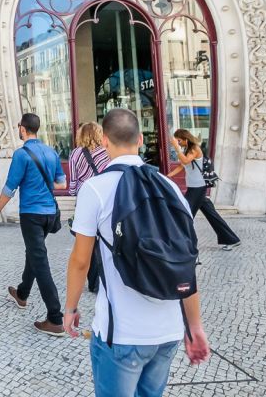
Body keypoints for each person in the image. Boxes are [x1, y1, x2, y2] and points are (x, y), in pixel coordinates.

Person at [64, 109, 211, 397]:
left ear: (104, 142)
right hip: (168, 332)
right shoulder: (169, 186)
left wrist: (69, 309)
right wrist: (194, 326)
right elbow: (185, 259)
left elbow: (81, 261)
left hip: (121, 333)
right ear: (141, 140)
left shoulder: (95, 189)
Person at [0, 112, 67, 337]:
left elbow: (9, 188)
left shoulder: (21, 155)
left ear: (22, 129)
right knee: (34, 252)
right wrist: (43, 184)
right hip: (50, 213)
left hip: (31, 214)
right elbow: (61, 184)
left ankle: (55, 318)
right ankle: (22, 294)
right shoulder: (52, 152)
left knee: (40, 260)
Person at [168, 129, 241, 250]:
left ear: (186, 139)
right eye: (177, 141)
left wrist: (176, 148)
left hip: (198, 187)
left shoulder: (194, 148)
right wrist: (168, 176)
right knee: (211, 214)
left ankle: (183, 244)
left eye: (179, 141)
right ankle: (231, 239)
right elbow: (182, 165)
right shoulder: (187, 149)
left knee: (185, 213)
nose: (178, 143)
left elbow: (185, 161)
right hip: (195, 187)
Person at [68, 122, 111, 293]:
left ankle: (93, 282)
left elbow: (72, 184)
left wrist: (75, 191)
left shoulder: (75, 154)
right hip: (105, 198)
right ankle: (107, 276)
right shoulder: (106, 152)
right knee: (106, 237)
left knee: (87, 241)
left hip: (85, 200)